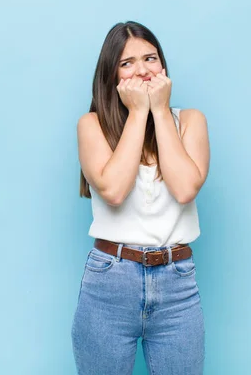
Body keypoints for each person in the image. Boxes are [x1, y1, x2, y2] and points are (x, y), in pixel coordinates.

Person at [71, 21, 210, 375]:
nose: (143, 70)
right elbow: (114, 191)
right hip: (110, 281)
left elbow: (184, 188)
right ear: (111, 74)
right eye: (127, 63)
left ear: (163, 66)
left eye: (150, 58)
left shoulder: (190, 121)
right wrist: (137, 112)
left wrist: (160, 111)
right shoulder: (92, 125)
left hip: (177, 282)